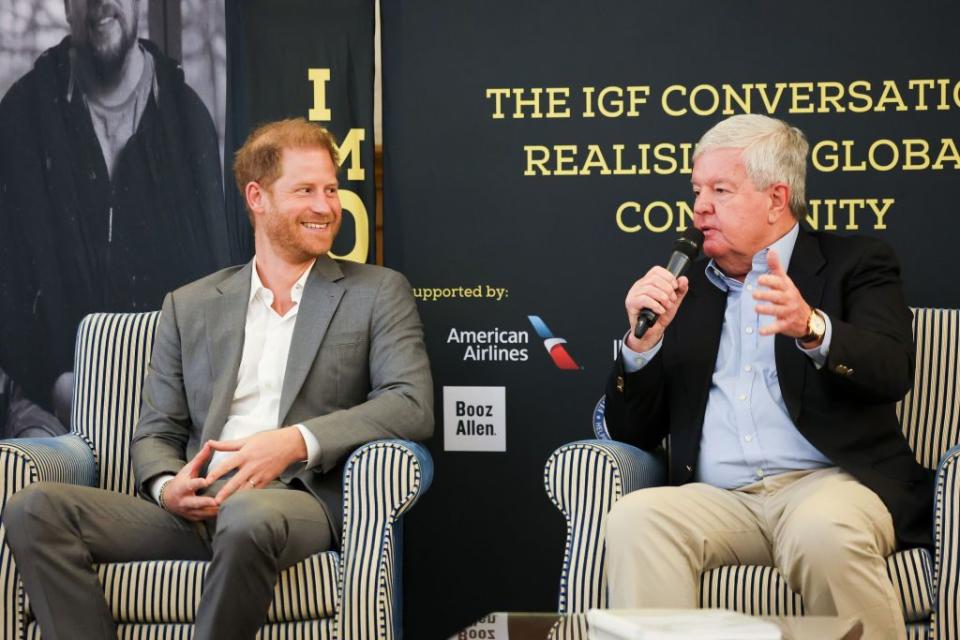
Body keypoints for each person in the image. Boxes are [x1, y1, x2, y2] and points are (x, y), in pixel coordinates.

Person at [3, 118, 434, 639]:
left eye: (331, 190)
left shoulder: (376, 292)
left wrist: (292, 442)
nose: (326, 207)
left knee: (248, 515)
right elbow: (156, 431)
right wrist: (167, 487)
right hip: (196, 507)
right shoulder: (190, 306)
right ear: (258, 197)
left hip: (292, 502)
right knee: (34, 509)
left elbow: (411, 403)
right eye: (305, 191)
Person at [603, 114, 932, 640]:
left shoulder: (857, 262)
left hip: (828, 485)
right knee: (636, 520)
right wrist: (641, 348)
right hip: (721, 499)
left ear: (776, 198)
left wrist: (811, 327)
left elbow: (891, 371)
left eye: (720, 190)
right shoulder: (683, 289)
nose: (699, 207)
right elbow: (632, 434)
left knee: (823, 531)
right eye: (696, 190)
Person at [0, 0, 232, 427]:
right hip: (51, 407)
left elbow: (213, 287)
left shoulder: (187, 119)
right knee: (29, 479)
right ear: (68, 6)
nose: (101, 3)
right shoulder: (21, 116)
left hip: (167, 410)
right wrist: (52, 382)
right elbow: (7, 287)